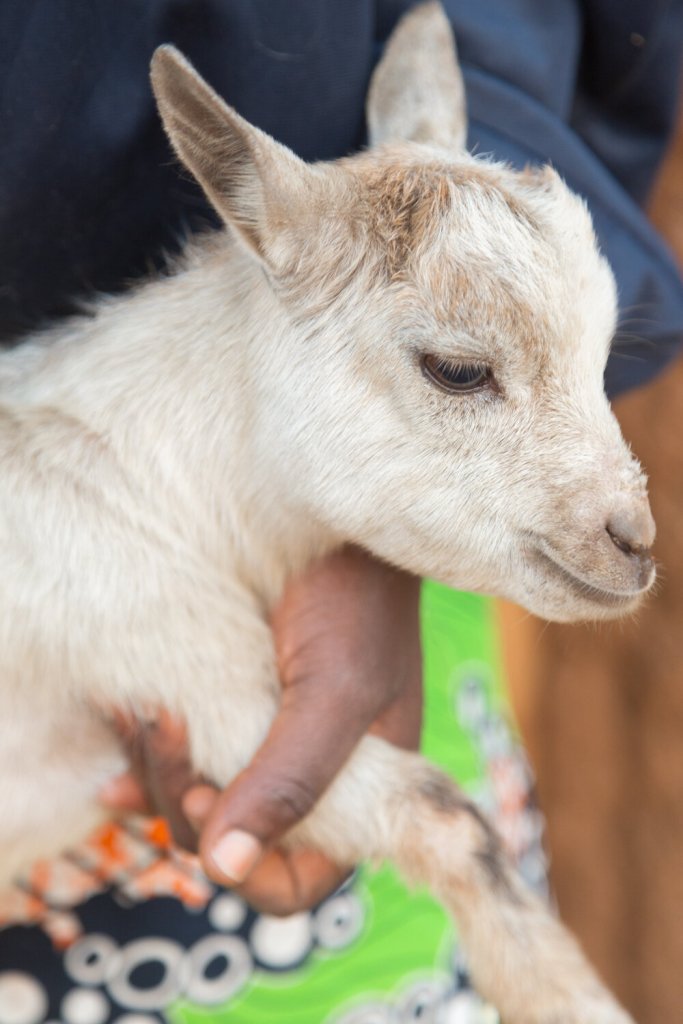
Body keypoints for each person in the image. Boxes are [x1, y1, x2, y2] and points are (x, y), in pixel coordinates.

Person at [0, 2, 682, 1022]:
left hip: (360, 556)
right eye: (461, 370)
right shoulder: (63, 499)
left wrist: (371, 554)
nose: (631, 524)